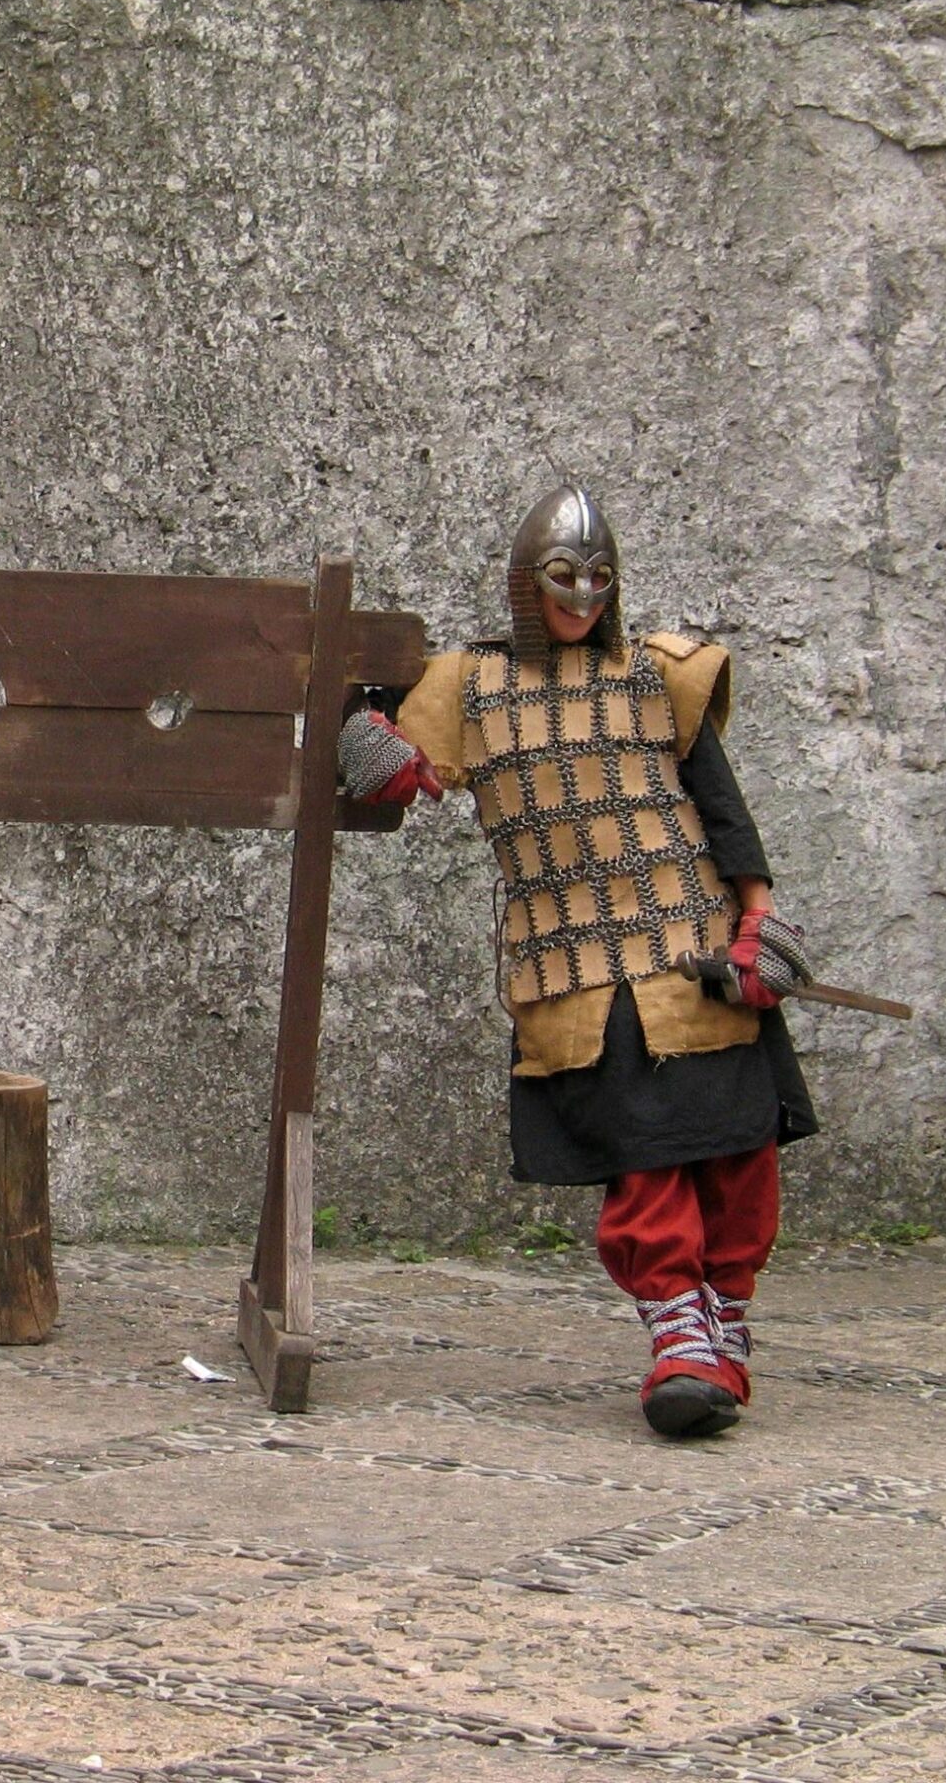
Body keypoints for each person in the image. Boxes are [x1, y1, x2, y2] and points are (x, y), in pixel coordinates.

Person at [340, 485, 818, 1438]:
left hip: (699, 950)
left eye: (602, 578)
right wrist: (372, 747)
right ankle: (679, 1336)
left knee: (735, 1153)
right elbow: (359, 723)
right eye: (565, 577)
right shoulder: (471, 684)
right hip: (580, 968)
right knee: (645, 1160)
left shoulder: (658, 675)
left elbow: (723, 810)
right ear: (529, 583)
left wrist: (762, 923)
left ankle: (723, 1327)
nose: (586, 595)